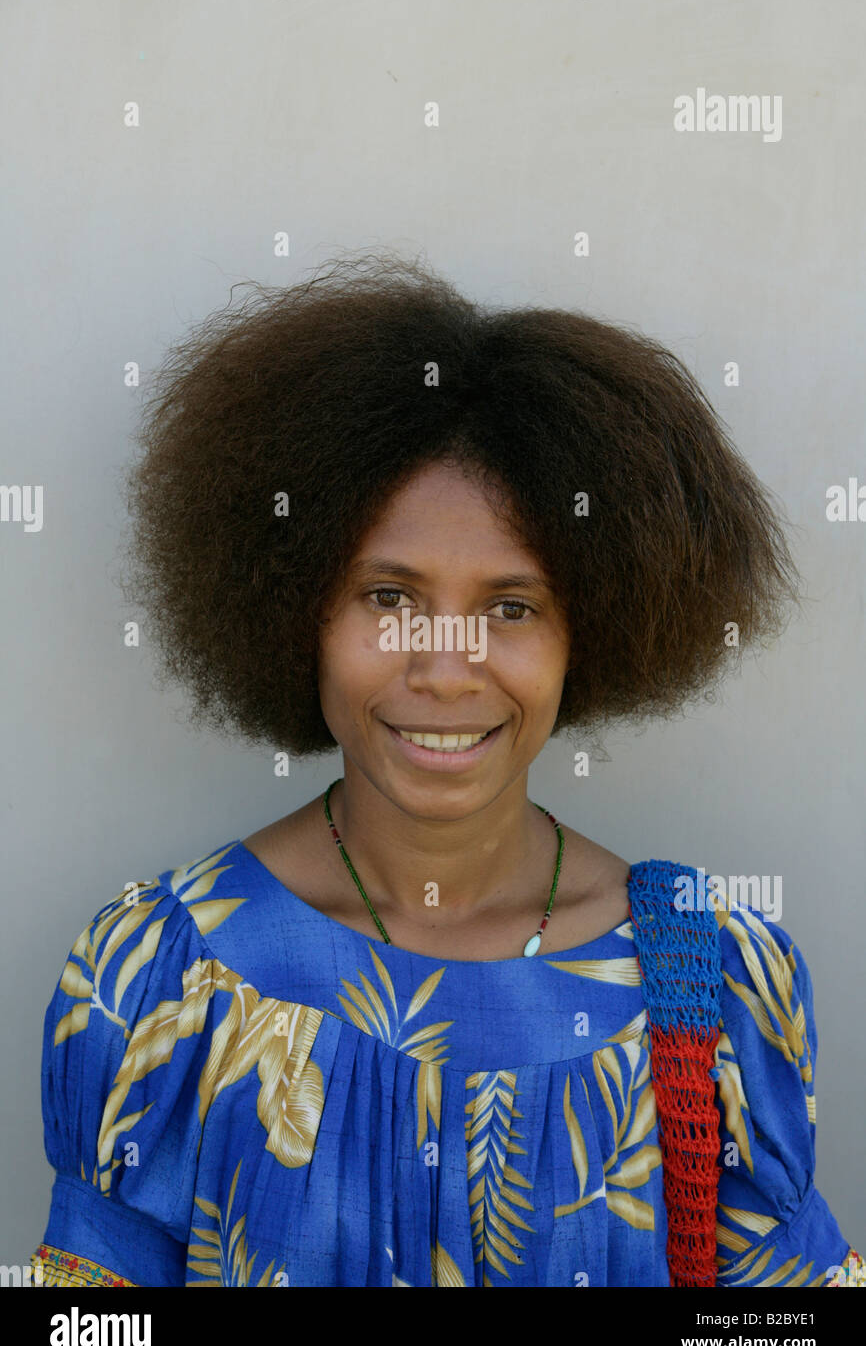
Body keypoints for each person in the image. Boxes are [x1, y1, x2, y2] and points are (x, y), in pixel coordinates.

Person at [31, 253, 860, 1287]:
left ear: (586, 634)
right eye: (388, 596)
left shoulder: (711, 978)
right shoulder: (158, 978)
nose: (444, 667)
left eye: (510, 607)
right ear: (300, 613)